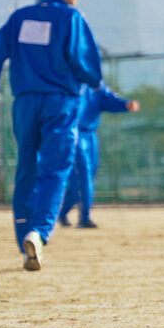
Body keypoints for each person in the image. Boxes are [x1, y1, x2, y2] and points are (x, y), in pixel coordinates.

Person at [0, 0, 106, 271]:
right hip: (60, 103)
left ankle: (25, 240)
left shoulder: (20, 17)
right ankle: (39, 232)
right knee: (55, 170)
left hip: (24, 104)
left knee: (26, 170)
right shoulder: (72, 17)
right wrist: (93, 80)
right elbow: (83, 62)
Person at [57, 82, 137, 229]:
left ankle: (62, 213)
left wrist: (126, 105)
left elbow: (108, 99)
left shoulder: (94, 83)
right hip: (74, 134)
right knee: (82, 177)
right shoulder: (68, 80)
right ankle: (84, 217)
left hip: (91, 135)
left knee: (87, 179)